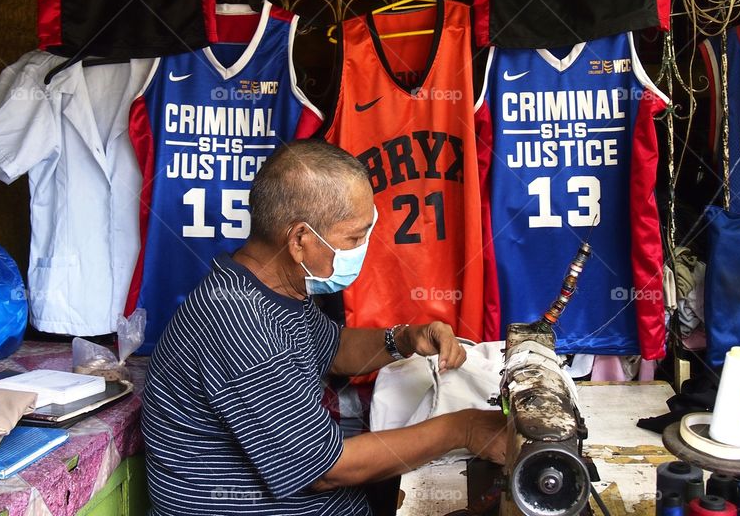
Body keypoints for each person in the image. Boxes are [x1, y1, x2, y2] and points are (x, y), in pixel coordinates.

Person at [141, 139, 507, 515]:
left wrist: (405, 339)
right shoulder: (238, 324)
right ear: (300, 240)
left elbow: (332, 349)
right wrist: (463, 429)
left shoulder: (269, 287)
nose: (364, 247)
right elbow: (326, 469)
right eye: (354, 237)